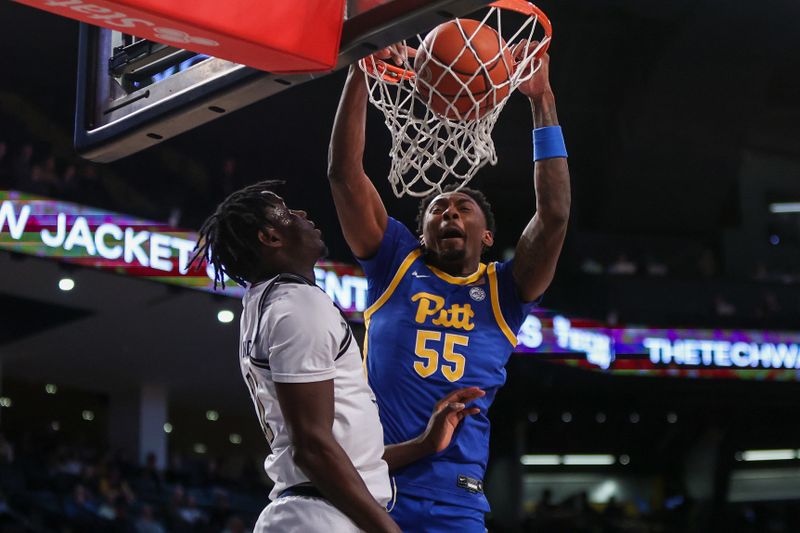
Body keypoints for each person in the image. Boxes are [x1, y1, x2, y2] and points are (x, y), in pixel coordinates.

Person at [327, 42, 570, 531]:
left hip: (454, 500)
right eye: (438, 208)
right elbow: (344, 175)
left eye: (463, 207)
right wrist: (360, 71)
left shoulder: (506, 290)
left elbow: (555, 214)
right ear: (422, 233)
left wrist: (542, 101)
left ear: (487, 236)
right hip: (374, 490)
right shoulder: (395, 260)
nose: (449, 212)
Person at [190, 182, 484, 532]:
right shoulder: (297, 305)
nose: (300, 214)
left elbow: (337, 452)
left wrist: (424, 445)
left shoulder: (267, 304)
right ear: (270, 238)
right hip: (319, 516)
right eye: (286, 212)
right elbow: (312, 448)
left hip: (315, 510)